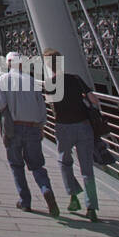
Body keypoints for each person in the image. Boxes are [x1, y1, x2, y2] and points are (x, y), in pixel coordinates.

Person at [0, 51, 60, 217]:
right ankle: (46, 190)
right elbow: (41, 106)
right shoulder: (31, 81)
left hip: (13, 129)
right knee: (37, 165)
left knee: (17, 166)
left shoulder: (3, 79)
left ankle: (25, 201)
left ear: (8, 63)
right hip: (32, 128)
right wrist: (41, 126)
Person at [44, 47, 102, 223]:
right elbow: (94, 101)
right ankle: (91, 208)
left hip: (64, 127)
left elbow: (51, 106)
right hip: (84, 126)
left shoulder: (49, 83)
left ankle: (73, 195)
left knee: (64, 162)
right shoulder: (76, 79)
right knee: (87, 168)